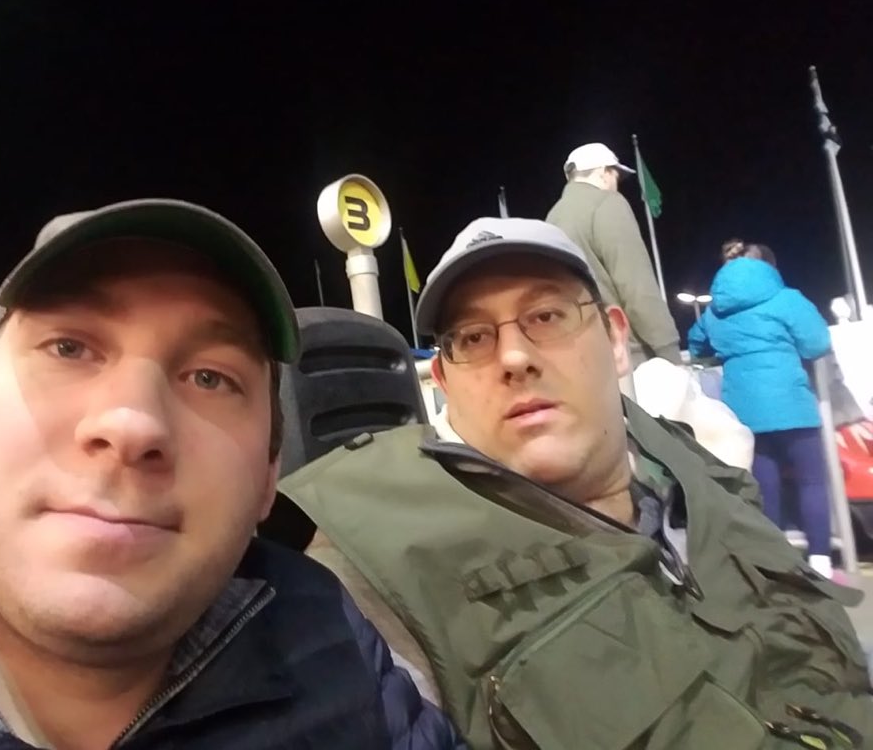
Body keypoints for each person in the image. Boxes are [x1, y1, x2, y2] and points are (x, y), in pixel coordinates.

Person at [0, 198, 463, 750]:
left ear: (267, 477)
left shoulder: (329, 635)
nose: (133, 423)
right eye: (68, 347)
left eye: (210, 378)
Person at [280, 217, 873, 749]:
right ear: (444, 380)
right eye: (474, 338)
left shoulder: (700, 467)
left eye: (547, 316)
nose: (514, 357)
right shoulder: (377, 574)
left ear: (615, 339)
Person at [689, 239, 836, 579]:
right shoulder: (786, 298)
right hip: (792, 405)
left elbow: (696, 345)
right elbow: (817, 344)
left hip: (744, 411)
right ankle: (822, 563)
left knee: (764, 488)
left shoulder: (715, 311)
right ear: (769, 267)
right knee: (812, 483)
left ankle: (776, 564)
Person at [545, 142, 681, 377]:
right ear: (604, 172)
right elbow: (636, 286)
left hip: (578, 359)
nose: (616, 185)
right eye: (616, 176)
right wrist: (669, 351)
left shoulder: (552, 219)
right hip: (628, 359)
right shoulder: (607, 203)